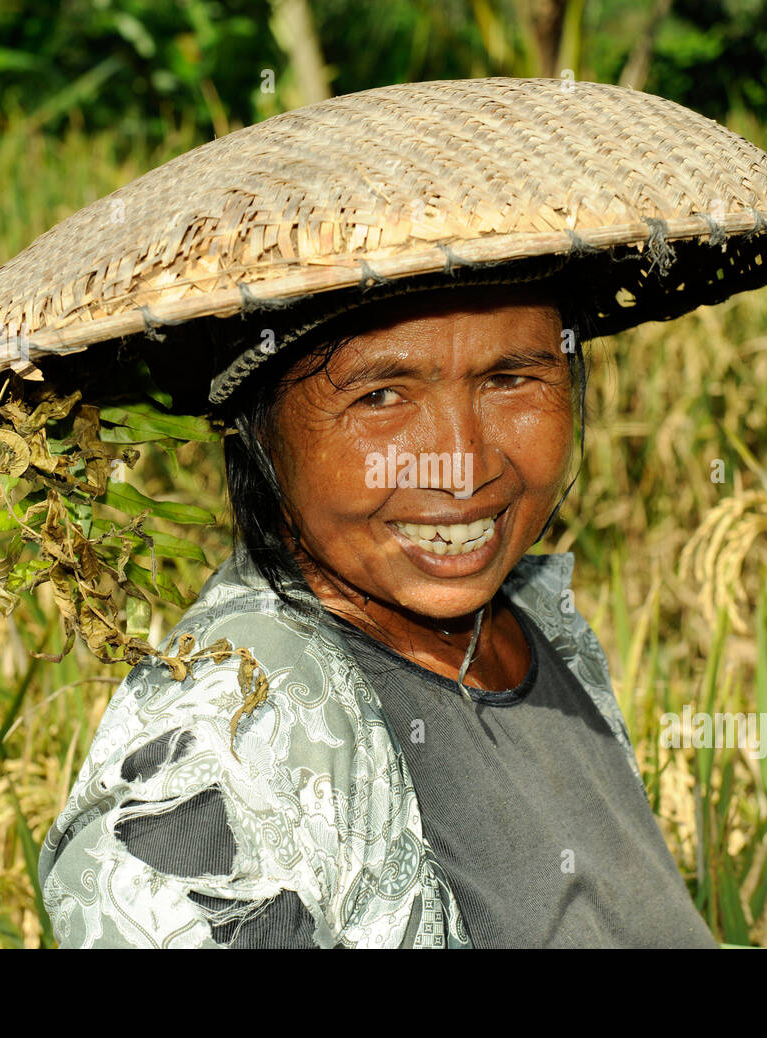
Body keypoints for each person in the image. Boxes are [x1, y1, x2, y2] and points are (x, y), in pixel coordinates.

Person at [36, 278, 718, 948]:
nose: (462, 466)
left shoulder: (532, 622)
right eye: (381, 396)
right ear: (257, 428)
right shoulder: (242, 731)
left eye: (510, 378)